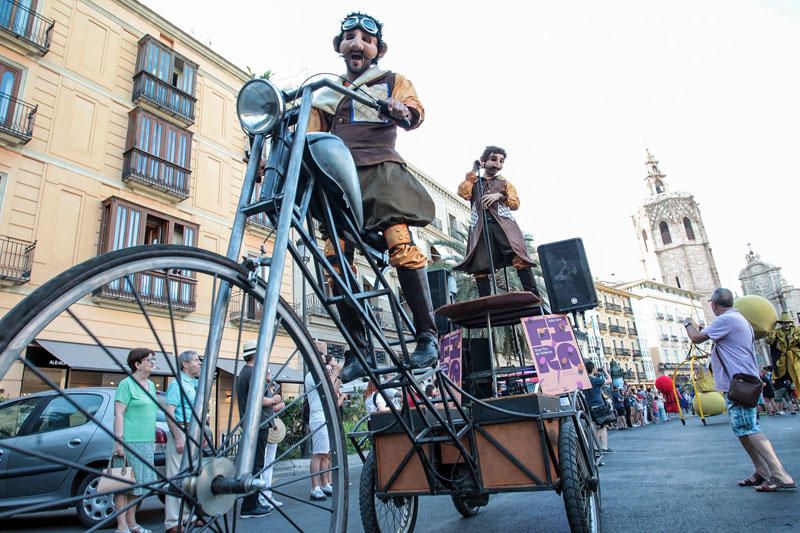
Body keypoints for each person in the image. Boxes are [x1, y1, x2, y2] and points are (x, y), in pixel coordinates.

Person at [308, 12, 438, 382]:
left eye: (366, 39)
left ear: (377, 49)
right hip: (339, 179)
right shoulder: (326, 93)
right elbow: (310, 136)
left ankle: (427, 336)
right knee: (335, 257)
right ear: (340, 46)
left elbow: (413, 112)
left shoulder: (392, 80)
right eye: (350, 37)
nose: (357, 44)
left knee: (401, 242)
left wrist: (402, 110)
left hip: (381, 173)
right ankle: (357, 348)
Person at [685, 288, 795, 492]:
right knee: (742, 429)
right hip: (740, 381)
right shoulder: (737, 319)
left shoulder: (726, 320)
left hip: (740, 383)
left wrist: (687, 322)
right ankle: (761, 471)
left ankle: (780, 474)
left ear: (714, 305)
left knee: (749, 428)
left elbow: (696, 337)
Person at [455, 146, 540, 298]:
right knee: (480, 265)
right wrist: (473, 173)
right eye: (493, 159)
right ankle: (485, 302)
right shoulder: (474, 182)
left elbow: (515, 204)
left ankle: (534, 295)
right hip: (481, 227)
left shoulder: (505, 183)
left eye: (501, 161)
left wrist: (500, 196)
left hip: (503, 226)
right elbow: (462, 192)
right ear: (484, 161)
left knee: (518, 256)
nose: (497, 164)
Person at [236, 340, 284, 518]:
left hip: (252, 423)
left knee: (254, 464)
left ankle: (252, 502)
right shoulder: (253, 372)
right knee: (256, 464)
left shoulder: (245, 372)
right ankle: (250, 505)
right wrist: (273, 400)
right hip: (259, 423)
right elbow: (256, 398)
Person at [113, 348, 158, 533]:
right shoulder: (126, 384)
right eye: (149, 360)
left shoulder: (152, 385)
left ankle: (132, 523)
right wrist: (119, 440)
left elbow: (151, 414)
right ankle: (121, 525)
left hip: (146, 440)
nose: (153, 362)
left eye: (154, 359)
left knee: (137, 487)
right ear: (137, 364)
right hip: (130, 440)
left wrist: (154, 439)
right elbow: (118, 413)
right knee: (123, 485)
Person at [164, 350, 202, 533]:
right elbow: (169, 412)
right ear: (185, 364)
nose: (199, 363)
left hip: (193, 431)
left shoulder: (193, 384)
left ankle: (188, 516)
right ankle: (172, 521)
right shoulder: (177, 384)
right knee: (176, 476)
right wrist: (178, 436)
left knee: (190, 476)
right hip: (182, 430)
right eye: (195, 360)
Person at [306, 343, 340, 500]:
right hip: (318, 416)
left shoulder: (320, 373)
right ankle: (315, 487)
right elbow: (329, 390)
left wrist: (337, 375)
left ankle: (325, 483)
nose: (324, 358)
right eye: (321, 354)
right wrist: (335, 373)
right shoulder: (312, 374)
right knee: (318, 454)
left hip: (325, 416)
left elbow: (334, 393)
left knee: (325, 454)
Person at [258, 368, 286, 511]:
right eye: (268, 373)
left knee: (268, 462)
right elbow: (263, 405)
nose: (270, 376)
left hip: (270, 425)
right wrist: (276, 402)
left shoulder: (268, 387)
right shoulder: (260, 386)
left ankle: (266, 493)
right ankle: (263, 494)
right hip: (265, 426)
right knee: (264, 463)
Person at [583, 361, 612, 453]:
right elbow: (609, 380)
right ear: (592, 369)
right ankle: (596, 447)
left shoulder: (585, 380)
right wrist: (605, 371)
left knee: (602, 426)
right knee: (600, 426)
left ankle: (604, 446)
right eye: (594, 368)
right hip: (599, 405)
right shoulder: (595, 380)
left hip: (590, 405)